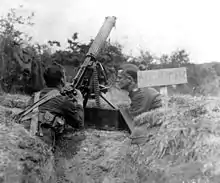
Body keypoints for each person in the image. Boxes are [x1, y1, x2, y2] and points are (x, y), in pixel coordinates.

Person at [19, 62, 84, 151]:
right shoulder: (63, 100)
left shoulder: (35, 96)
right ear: (62, 80)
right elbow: (79, 123)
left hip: (23, 138)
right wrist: (79, 102)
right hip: (41, 147)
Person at [117, 63, 163, 145]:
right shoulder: (138, 91)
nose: (117, 80)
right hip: (155, 119)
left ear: (129, 79)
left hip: (160, 123)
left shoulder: (140, 94)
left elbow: (137, 120)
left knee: (136, 135)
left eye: (120, 78)